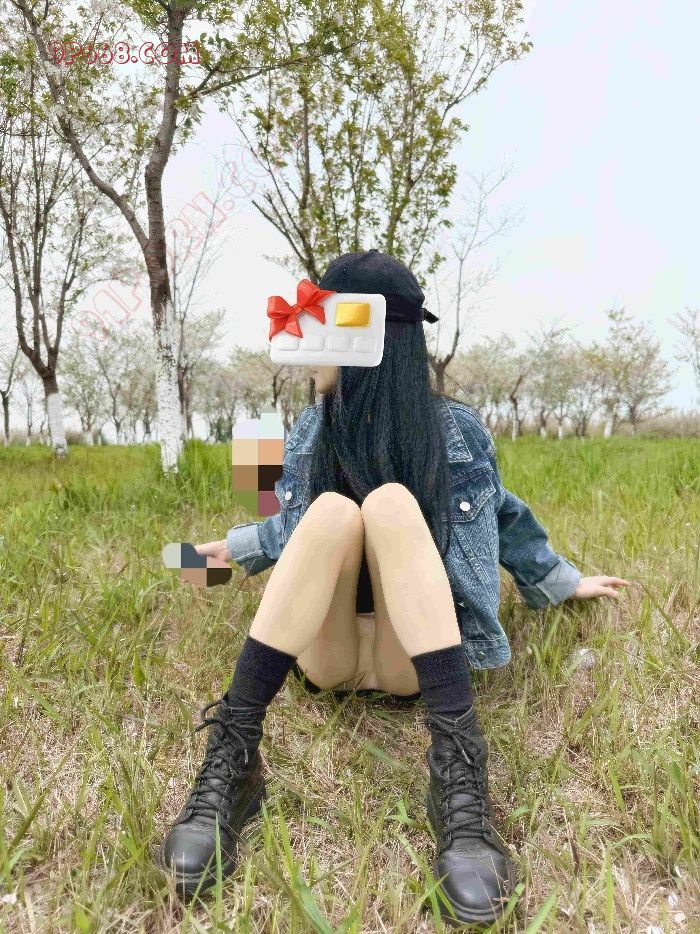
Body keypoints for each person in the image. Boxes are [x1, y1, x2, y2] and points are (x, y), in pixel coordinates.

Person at [158, 250, 630, 924]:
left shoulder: (455, 430)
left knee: (390, 506)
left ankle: (459, 771)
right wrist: (232, 549)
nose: (305, 349)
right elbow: (292, 526)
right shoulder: (311, 429)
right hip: (331, 656)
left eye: (320, 326)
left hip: (410, 661)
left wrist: (561, 580)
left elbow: (502, 515)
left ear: (362, 337)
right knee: (331, 513)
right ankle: (232, 756)